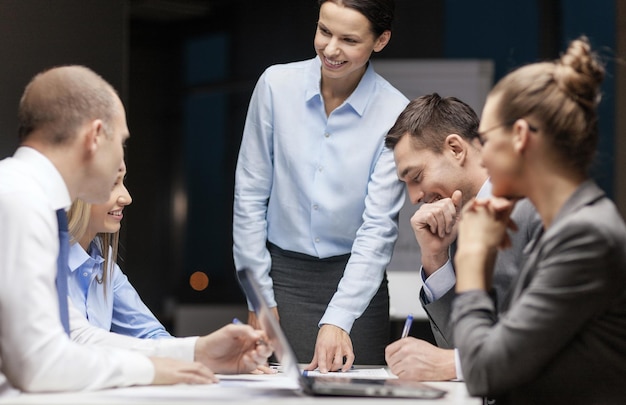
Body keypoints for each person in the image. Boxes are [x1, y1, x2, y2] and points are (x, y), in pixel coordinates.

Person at [0, 65, 270, 397]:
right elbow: (39, 365)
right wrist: (152, 370)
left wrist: (196, 352)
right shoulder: (20, 200)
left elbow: (77, 334)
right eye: (122, 142)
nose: (121, 163)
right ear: (95, 136)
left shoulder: (24, 194)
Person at [233, 0, 408, 371]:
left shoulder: (395, 112)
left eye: (349, 39)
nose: (330, 49)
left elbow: (378, 227)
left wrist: (341, 316)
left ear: (381, 41)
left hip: (358, 283)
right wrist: (258, 297)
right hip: (281, 281)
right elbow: (249, 195)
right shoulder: (275, 87)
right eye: (324, 31)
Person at [451, 36, 626, 403]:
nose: (481, 160)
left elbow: (485, 372)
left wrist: (470, 257)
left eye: (485, 138)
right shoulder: (567, 228)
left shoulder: (586, 236)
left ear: (519, 136)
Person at [383, 94, 542, 381]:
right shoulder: (456, 225)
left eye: (416, 176)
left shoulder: (537, 206)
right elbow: (458, 346)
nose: (414, 197)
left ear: (456, 149)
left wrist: (452, 365)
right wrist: (435, 258)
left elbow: (556, 336)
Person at [67, 161, 171, 339]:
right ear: (78, 190)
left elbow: (150, 333)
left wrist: (200, 353)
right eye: (113, 184)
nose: (127, 198)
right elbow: (80, 345)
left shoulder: (102, 259)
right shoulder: (43, 259)